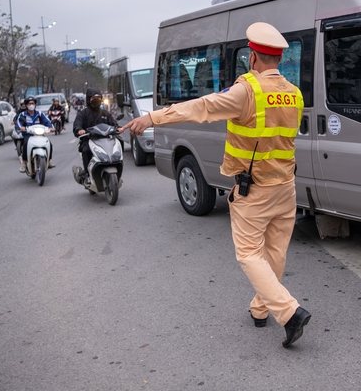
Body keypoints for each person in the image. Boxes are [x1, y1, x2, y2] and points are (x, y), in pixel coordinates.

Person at [120, 22, 311, 348]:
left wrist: (152, 118)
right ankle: (260, 309)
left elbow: (202, 107)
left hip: (256, 190)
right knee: (275, 252)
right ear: (279, 58)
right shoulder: (293, 93)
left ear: (252, 57)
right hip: (286, 185)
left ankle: (289, 312)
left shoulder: (246, 91)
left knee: (249, 254)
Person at [72, 88, 117, 183]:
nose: (96, 99)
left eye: (98, 97)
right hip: (89, 140)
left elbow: (113, 123)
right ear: (89, 99)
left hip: (105, 139)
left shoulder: (105, 113)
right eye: (93, 98)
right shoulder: (83, 113)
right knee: (86, 150)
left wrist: (118, 128)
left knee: (116, 149)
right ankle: (87, 174)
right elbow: (77, 124)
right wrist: (79, 130)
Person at [16, 96, 55, 173]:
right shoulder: (22, 114)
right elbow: (18, 122)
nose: (31, 105)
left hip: (39, 134)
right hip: (28, 134)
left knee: (49, 143)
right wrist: (22, 127)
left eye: (33, 103)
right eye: (29, 104)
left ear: (35, 104)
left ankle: (49, 160)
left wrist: (51, 127)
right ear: (26, 105)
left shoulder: (39, 114)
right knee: (26, 144)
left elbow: (47, 121)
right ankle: (24, 163)